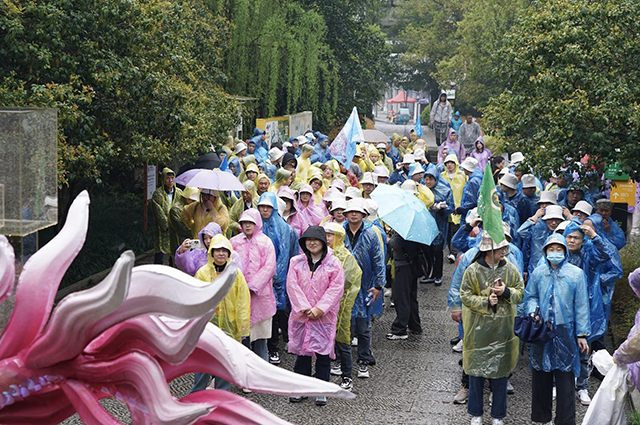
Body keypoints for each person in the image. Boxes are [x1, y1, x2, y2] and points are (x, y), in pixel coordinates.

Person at [524, 233, 590, 425]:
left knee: (565, 379)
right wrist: (532, 312)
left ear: (565, 251)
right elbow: (530, 296)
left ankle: (565, 420)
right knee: (541, 377)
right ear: (545, 251)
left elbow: (581, 305)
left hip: (565, 332)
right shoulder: (538, 272)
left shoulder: (576, 274)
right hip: (542, 330)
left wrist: (582, 334)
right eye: (551, 249)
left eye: (558, 249)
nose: (555, 253)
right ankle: (541, 417)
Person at [460, 233, 523, 425]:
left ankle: (498, 415)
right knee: (476, 373)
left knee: (501, 375)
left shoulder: (511, 270)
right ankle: (476, 413)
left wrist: (506, 292)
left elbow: (520, 293)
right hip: (478, 330)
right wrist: (485, 301)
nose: (505, 251)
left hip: (503, 330)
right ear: (489, 250)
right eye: (501, 248)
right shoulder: (472, 270)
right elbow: (465, 295)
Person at [287, 226, 345, 406]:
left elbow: (336, 289)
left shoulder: (334, 263)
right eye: (308, 239)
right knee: (302, 354)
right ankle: (301, 389)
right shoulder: (296, 262)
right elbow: (292, 285)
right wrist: (304, 308)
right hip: (301, 316)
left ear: (323, 242)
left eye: (316, 239)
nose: (312, 243)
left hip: (323, 317)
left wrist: (319, 309)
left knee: (322, 354)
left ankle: (321, 389)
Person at [190, 234, 251, 393]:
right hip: (207, 325)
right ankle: (197, 394)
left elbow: (243, 299)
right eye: (217, 250)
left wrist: (242, 324)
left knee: (226, 362)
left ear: (229, 253)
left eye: (224, 250)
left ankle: (221, 394)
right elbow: (196, 298)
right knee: (203, 362)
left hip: (230, 324)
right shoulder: (203, 273)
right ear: (211, 252)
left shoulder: (236, 274)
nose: (221, 254)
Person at [343, 199, 386, 378]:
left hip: (364, 286)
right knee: (343, 325)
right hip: (343, 287)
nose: (353, 214)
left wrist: (378, 285)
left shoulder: (370, 234)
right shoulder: (339, 232)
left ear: (363, 214)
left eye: (357, 212)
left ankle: (363, 360)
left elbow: (378, 260)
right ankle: (341, 360)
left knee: (363, 325)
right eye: (350, 211)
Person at [257, 192, 300, 365]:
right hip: (258, 279)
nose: (265, 210)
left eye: (268, 207)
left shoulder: (286, 229)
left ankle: (274, 347)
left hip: (278, 279)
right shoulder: (255, 226)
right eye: (262, 206)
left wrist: (276, 277)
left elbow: (287, 255)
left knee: (277, 312)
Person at [230, 209, 277, 362]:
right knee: (242, 340)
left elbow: (269, 267)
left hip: (260, 298)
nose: (248, 225)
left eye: (251, 222)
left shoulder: (265, 242)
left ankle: (262, 376)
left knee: (260, 340)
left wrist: (252, 286)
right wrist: (240, 287)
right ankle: (244, 375)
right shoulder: (235, 242)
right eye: (244, 222)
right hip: (239, 297)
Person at [324, 222, 362, 391]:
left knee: (342, 340)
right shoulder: (320, 254)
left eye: (330, 235)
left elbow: (344, 282)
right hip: (322, 305)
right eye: (324, 234)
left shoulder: (345, 256)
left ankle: (347, 376)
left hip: (341, 304)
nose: (326, 238)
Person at [386, 229, 424, 340]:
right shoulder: (414, 228)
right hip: (412, 264)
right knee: (411, 296)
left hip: (403, 266)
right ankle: (414, 325)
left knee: (401, 297)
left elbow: (395, 244)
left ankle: (399, 329)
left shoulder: (403, 230)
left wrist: (388, 239)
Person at [423, 164, 454, 285]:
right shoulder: (422, 190)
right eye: (426, 179)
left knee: (437, 250)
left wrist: (440, 209)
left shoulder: (444, 190)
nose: (428, 181)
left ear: (436, 179)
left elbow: (451, 207)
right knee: (427, 249)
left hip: (439, 224)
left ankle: (438, 275)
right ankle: (430, 274)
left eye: (431, 179)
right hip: (425, 224)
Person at [151, 167, 182, 265]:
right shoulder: (158, 194)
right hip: (163, 230)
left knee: (174, 252)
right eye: (167, 178)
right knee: (160, 253)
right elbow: (158, 213)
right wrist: (167, 225)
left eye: (172, 178)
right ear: (163, 179)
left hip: (175, 229)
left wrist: (177, 225)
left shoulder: (179, 193)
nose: (170, 181)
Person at [441, 154, 468, 263]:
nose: (450, 165)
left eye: (452, 163)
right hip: (447, 206)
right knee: (448, 229)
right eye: (447, 163)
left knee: (456, 228)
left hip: (458, 206)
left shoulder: (462, 176)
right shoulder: (442, 175)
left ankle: (453, 252)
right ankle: (451, 250)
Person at [169, 186, 199, 257]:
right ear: (188, 199)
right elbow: (181, 229)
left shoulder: (192, 207)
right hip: (180, 241)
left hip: (193, 241)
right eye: (194, 201)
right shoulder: (176, 210)